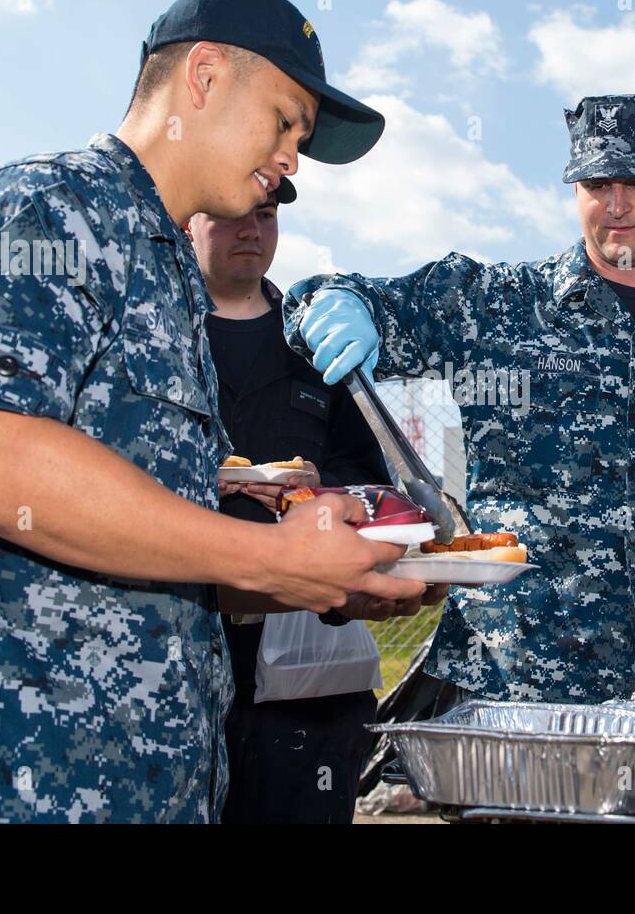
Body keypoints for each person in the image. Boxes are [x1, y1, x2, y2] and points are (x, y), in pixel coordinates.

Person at [0, 0, 429, 824]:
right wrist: (263, 558)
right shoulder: (46, 207)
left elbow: (147, 561)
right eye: (286, 120)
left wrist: (325, 575)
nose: (292, 156)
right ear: (207, 76)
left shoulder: (169, 274)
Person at [284, 95, 635, 705]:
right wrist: (331, 304)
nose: (615, 205)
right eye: (595, 182)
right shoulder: (496, 306)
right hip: (516, 692)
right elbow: (335, 293)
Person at [188, 182, 402, 823]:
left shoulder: (316, 351)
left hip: (303, 679)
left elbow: (377, 491)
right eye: (229, 215)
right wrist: (211, 480)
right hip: (178, 661)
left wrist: (319, 490)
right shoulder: (153, 340)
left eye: (266, 213)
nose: (251, 229)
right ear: (190, 223)